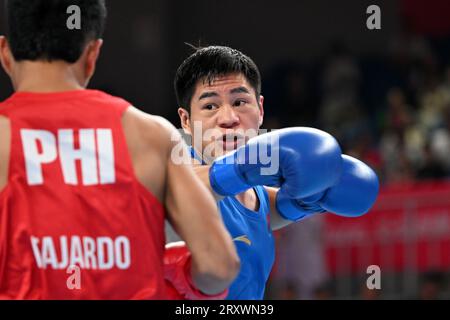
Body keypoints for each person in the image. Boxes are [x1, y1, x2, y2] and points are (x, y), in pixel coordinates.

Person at [0, 1, 239, 299]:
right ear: (92, 54)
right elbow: (219, 265)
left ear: (5, 53)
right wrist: (182, 276)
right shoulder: (151, 135)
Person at [169, 45, 379, 299]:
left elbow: (273, 209)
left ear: (260, 109)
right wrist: (244, 167)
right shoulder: (173, 169)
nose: (228, 117)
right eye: (210, 106)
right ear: (186, 121)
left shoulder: (255, 196)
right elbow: (176, 187)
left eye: (239, 101)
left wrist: (314, 198)